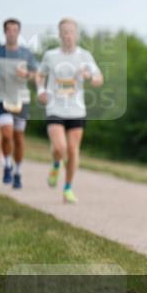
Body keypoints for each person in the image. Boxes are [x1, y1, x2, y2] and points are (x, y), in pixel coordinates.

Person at [36, 18, 103, 204]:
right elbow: (39, 75)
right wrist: (41, 91)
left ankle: (67, 188)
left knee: (73, 151)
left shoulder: (85, 56)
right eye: (64, 32)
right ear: (59, 35)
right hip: (55, 107)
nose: (68, 35)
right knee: (60, 147)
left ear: (76, 34)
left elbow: (99, 79)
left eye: (71, 32)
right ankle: (56, 164)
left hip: (76, 110)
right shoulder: (50, 55)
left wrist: (89, 76)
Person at [0, 20, 38, 189]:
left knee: (19, 138)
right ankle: (7, 165)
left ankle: (18, 173)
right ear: (5, 32)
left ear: (19, 32)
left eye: (15, 30)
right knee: (6, 134)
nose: (12, 33)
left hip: (21, 100)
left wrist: (26, 74)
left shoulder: (26, 53)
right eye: (9, 30)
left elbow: (36, 74)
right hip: (2, 98)